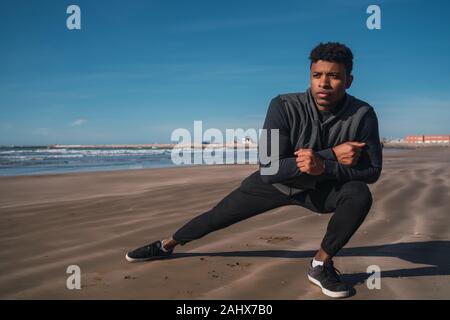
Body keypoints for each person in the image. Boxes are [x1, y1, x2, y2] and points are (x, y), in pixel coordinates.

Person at [125, 42, 383, 298]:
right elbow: (270, 168)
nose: (323, 83)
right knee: (217, 217)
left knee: (358, 194)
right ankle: (167, 245)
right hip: (275, 184)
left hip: (321, 189)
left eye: (334, 76)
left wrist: (324, 168)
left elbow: (372, 171)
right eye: (317, 75)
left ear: (348, 80)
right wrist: (330, 156)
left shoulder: (362, 114)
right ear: (310, 76)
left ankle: (320, 265)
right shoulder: (282, 105)